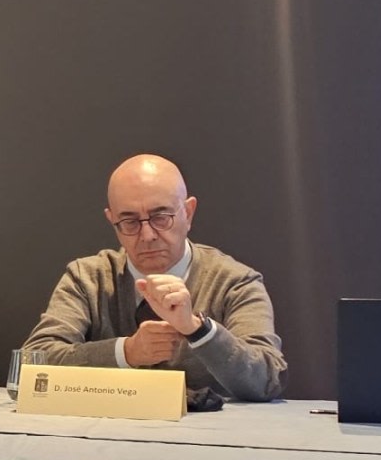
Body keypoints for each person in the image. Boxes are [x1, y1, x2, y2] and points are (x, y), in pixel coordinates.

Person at [21, 153, 285, 401]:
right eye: (130, 222)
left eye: (161, 217)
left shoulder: (235, 282)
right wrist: (127, 352)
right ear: (111, 220)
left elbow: (267, 380)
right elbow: (31, 364)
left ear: (188, 213)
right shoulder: (87, 278)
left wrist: (196, 329)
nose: (147, 236)